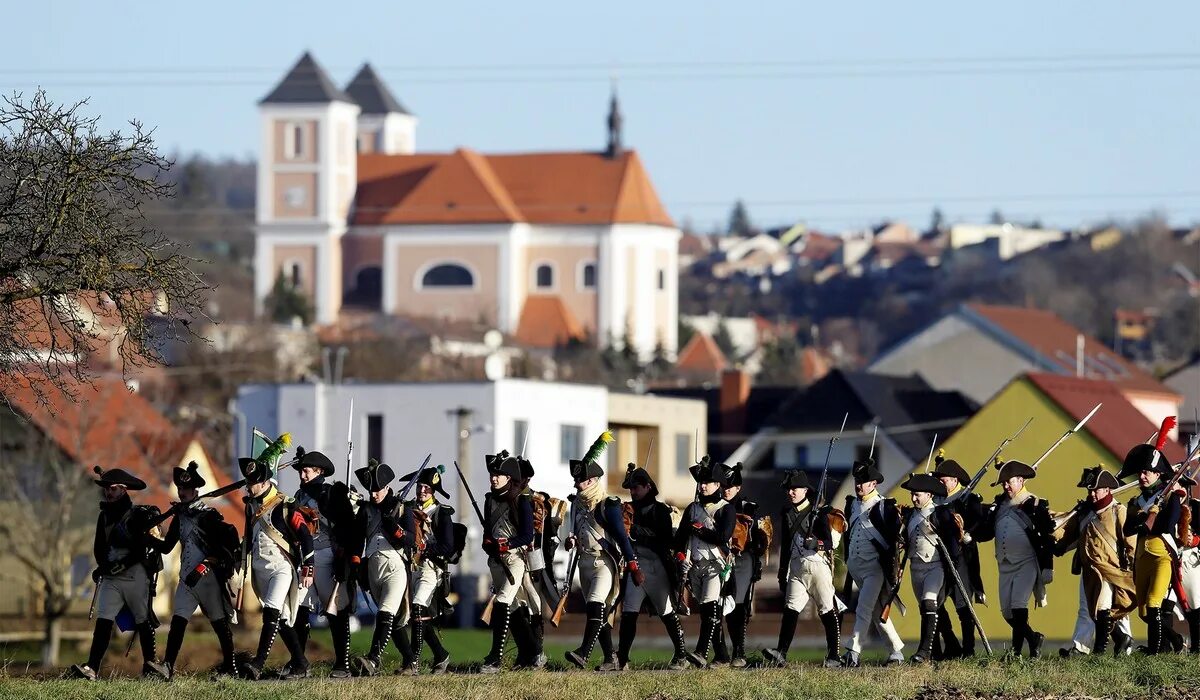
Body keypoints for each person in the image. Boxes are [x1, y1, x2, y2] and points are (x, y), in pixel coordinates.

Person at [70, 467, 169, 681]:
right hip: (112, 578)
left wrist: (119, 565)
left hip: (135, 576)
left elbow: (141, 548)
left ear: (124, 490)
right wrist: (103, 567)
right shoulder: (103, 517)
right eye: (107, 488)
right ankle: (92, 668)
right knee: (103, 620)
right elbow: (99, 548)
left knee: (143, 620)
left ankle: (151, 666)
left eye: (112, 488)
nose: (108, 492)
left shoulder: (136, 516)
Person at [563, 432, 640, 671]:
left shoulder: (609, 505)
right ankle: (611, 659)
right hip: (583, 563)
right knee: (599, 613)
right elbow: (574, 528)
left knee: (596, 604)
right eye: (577, 481)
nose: (577, 484)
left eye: (581, 481)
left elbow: (622, 538)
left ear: (593, 480)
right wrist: (571, 539)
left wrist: (633, 565)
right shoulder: (576, 504)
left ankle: (584, 653)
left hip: (604, 563)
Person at [617, 462, 703, 671]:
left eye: (636, 487)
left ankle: (681, 654)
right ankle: (622, 659)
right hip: (635, 565)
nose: (633, 492)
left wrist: (636, 530)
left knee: (667, 613)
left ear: (648, 486)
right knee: (628, 614)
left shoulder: (660, 510)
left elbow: (664, 540)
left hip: (656, 566)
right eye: (631, 488)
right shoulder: (627, 510)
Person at [237, 455, 316, 680]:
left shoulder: (285, 505)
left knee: (271, 611)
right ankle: (301, 663)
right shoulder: (251, 507)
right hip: (260, 570)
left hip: (282, 568)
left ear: (264, 483)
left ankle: (258, 664)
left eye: (251, 483)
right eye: (247, 482)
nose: (248, 487)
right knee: (281, 620)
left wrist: (308, 567)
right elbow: (249, 537)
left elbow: (305, 537)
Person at [159, 462, 240, 679]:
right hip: (186, 579)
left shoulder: (209, 516)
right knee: (178, 622)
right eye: (180, 489)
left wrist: (203, 567)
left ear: (195, 491)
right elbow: (166, 547)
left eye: (186, 489)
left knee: (219, 624)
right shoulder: (180, 517)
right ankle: (167, 666)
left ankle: (231, 669)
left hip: (207, 578)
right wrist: (146, 536)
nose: (182, 492)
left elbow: (221, 550)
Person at [762, 470, 842, 668]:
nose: (791, 492)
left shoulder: (820, 513)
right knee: (790, 609)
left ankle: (834, 655)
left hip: (816, 565)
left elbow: (829, 543)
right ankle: (781, 652)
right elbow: (787, 546)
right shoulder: (787, 513)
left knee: (826, 610)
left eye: (795, 489)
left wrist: (815, 543)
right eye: (789, 489)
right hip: (797, 567)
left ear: (805, 490)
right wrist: (782, 572)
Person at [1054, 465, 1136, 657]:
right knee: (1088, 610)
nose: (1092, 494)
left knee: (1102, 609)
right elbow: (1067, 534)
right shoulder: (1084, 512)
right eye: (1089, 490)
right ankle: (1085, 647)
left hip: (1110, 569)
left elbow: (1130, 540)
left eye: (1095, 489)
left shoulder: (1118, 511)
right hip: (1088, 568)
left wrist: (1132, 566)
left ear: (1107, 489)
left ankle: (1099, 651)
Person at [975, 459, 1053, 659]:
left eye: (1009, 482)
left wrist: (1047, 566)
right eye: (1004, 483)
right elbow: (987, 531)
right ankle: (1033, 638)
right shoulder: (999, 504)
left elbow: (1046, 537)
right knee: (1007, 612)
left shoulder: (1035, 504)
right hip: (1004, 564)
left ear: (1021, 481)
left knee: (1019, 606)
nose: (1006, 486)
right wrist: (971, 535)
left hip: (1026, 562)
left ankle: (1016, 652)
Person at [290, 448, 357, 678]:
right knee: (298, 609)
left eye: (306, 471)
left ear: (318, 471)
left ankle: (342, 664)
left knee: (335, 611)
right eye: (301, 471)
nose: (302, 475)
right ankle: (299, 662)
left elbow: (346, 526)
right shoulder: (298, 497)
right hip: (305, 558)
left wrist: (345, 558)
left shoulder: (330, 494)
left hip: (328, 554)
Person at [350, 459, 419, 676]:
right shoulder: (366, 510)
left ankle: (373, 659)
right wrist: (356, 564)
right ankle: (410, 661)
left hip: (395, 565)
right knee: (393, 619)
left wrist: (394, 528)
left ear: (387, 487)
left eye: (378, 490)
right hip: (372, 568)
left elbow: (411, 540)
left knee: (385, 612)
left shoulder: (402, 508)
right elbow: (356, 539)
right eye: (371, 490)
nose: (374, 494)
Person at [1121, 443, 1187, 654]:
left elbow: (1169, 525)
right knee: (1143, 611)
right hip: (1142, 556)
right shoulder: (1138, 500)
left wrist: (1156, 512)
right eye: (1141, 472)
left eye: (1147, 472)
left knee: (1153, 603)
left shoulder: (1170, 496)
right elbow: (1128, 529)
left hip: (1162, 555)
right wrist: (1143, 517)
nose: (1142, 476)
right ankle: (1176, 639)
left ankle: (1155, 651)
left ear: (1158, 474)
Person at [840, 458, 904, 667]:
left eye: (864, 481)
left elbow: (895, 539)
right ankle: (896, 651)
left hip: (875, 568)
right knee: (877, 613)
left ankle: (853, 652)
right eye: (857, 480)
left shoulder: (885, 506)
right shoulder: (851, 505)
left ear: (873, 484)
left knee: (863, 608)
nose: (859, 485)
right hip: (856, 567)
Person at [673, 456, 736, 667]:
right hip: (695, 567)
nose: (702, 486)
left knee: (710, 608)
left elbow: (721, 537)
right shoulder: (691, 509)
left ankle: (701, 652)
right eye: (700, 483)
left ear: (717, 484)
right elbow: (680, 540)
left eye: (706, 482)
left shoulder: (725, 509)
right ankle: (722, 657)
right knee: (710, 613)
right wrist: (681, 557)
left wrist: (699, 530)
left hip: (715, 565)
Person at [480, 450, 537, 673]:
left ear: (508, 477)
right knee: (512, 610)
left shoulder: (521, 500)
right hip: (496, 562)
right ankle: (532, 652)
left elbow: (527, 535)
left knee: (502, 602)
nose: (494, 477)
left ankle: (495, 658)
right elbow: (487, 532)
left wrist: (505, 544)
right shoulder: (489, 500)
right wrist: (488, 544)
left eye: (499, 474)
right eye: (493, 473)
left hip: (515, 560)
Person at [899, 473, 963, 664]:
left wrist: (954, 568)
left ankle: (924, 651)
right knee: (926, 609)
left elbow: (952, 544)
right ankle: (938, 651)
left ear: (929, 494)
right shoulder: (910, 515)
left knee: (929, 602)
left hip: (935, 567)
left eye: (917, 494)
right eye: (912, 494)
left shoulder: (940, 513)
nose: (913, 498)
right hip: (915, 567)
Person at [400, 464, 457, 675]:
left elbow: (447, 546)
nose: (422, 491)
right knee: (419, 615)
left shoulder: (441, 513)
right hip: (410, 568)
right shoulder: (406, 509)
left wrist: (424, 548)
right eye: (420, 486)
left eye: (427, 488)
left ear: (433, 491)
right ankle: (441, 655)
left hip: (431, 568)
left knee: (417, 607)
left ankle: (413, 662)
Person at [931, 452, 986, 658]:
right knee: (934, 604)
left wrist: (967, 533)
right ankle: (951, 643)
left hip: (962, 555)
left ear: (955, 480)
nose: (941, 483)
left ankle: (968, 649)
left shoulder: (969, 498)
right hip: (938, 557)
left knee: (964, 605)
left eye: (943, 480)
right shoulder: (934, 500)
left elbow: (978, 521)